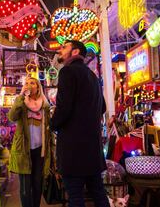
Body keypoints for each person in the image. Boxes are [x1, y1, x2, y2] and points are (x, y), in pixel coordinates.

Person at [50, 40, 109, 207]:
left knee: (75, 197)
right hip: (92, 150)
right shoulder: (92, 76)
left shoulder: (67, 72)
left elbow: (64, 108)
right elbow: (102, 107)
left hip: (73, 150)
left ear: (75, 52)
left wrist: (52, 124)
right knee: (98, 194)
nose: (60, 50)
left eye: (64, 47)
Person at [8, 77, 51, 207]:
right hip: (24, 149)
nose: (29, 85)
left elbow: (49, 128)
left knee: (38, 185)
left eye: (32, 83)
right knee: (26, 187)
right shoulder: (21, 102)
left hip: (40, 150)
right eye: (26, 83)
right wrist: (21, 96)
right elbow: (12, 117)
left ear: (38, 87)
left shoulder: (45, 105)